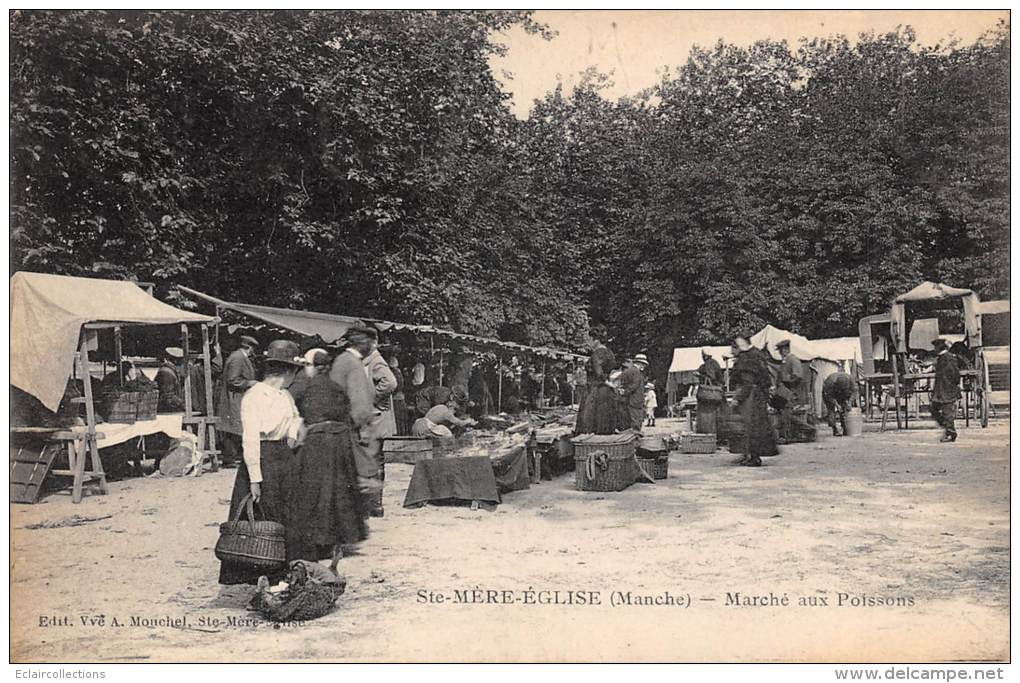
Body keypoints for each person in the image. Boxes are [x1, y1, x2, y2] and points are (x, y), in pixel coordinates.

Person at [218, 340, 306, 586]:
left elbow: (295, 418)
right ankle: (258, 575)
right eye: (293, 372)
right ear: (286, 371)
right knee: (261, 519)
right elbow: (250, 440)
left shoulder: (285, 395)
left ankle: (285, 572)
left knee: (288, 516)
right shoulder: (254, 396)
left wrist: (290, 434)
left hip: (283, 458)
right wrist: (255, 478)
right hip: (261, 459)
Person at [287, 349, 368, 572]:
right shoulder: (337, 389)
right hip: (340, 442)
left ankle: (318, 538)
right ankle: (340, 536)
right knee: (340, 488)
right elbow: (347, 416)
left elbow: (296, 412)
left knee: (315, 489)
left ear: (312, 366)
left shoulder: (304, 387)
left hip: (317, 442)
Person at [329, 325, 383, 515]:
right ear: (364, 343)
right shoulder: (352, 363)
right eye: (371, 342)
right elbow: (359, 405)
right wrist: (366, 430)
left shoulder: (343, 360)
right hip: (351, 430)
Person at [730, 335, 778, 466]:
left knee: (752, 428)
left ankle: (754, 457)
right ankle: (751, 455)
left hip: (751, 397)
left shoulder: (747, 358)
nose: (732, 352)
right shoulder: (757, 353)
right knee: (757, 426)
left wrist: (738, 399)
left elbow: (747, 382)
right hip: (759, 394)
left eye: (733, 348)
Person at [363, 341, 398, 514]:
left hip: (375, 418)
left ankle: (375, 504)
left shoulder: (375, 361)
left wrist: (371, 398)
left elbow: (390, 383)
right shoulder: (369, 360)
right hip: (373, 418)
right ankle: (374, 503)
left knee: (374, 460)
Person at [217, 336, 259, 466]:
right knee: (233, 427)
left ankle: (234, 456)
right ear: (248, 347)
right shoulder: (238, 358)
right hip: (234, 397)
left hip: (238, 397)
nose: (253, 351)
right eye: (252, 348)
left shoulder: (241, 357)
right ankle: (230, 458)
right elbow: (233, 379)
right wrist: (249, 383)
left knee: (236, 427)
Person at [576, 341, 625, 434]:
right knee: (605, 418)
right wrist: (610, 383)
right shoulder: (609, 353)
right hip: (606, 390)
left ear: (595, 340)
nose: (588, 343)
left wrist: (606, 382)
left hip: (595, 389)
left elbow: (598, 373)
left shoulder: (597, 353)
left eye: (590, 339)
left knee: (590, 417)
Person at [775, 339, 810, 443]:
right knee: (783, 414)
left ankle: (807, 431)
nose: (780, 353)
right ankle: (786, 436)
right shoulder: (785, 361)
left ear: (786, 350)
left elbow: (798, 376)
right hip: (785, 393)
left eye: (781, 350)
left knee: (787, 415)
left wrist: (785, 380)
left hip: (792, 393)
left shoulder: (793, 360)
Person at [931, 338, 961, 443]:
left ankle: (950, 433)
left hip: (947, 389)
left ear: (939, 347)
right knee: (934, 409)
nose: (934, 349)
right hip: (941, 390)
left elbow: (956, 375)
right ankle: (948, 429)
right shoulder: (942, 358)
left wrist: (952, 385)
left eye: (935, 347)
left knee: (947, 412)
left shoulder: (948, 358)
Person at [411, 398, 476, 439]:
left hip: (417, 425)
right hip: (424, 429)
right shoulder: (447, 413)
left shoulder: (441, 406)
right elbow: (460, 423)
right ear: (453, 408)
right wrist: (469, 420)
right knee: (448, 434)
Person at [696, 349, 724, 434]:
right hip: (717, 392)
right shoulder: (714, 362)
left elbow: (711, 377)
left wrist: (700, 375)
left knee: (709, 416)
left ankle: (710, 435)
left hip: (710, 394)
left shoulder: (709, 364)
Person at [822, 371, 857, 437]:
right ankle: (834, 429)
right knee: (831, 410)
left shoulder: (851, 380)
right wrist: (837, 405)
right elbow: (828, 396)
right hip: (830, 394)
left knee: (844, 409)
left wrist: (849, 402)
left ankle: (845, 428)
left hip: (841, 394)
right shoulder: (830, 383)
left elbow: (854, 392)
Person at [620, 354, 648, 431]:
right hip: (636, 398)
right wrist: (626, 392)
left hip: (630, 399)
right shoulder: (636, 372)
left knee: (631, 417)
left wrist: (624, 392)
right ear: (640, 363)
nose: (644, 366)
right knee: (636, 418)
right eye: (644, 364)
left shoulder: (627, 371)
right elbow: (635, 385)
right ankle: (636, 434)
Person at [155, 347, 186, 413]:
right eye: (180, 360)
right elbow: (168, 396)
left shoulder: (170, 371)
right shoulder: (166, 373)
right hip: (167, 410)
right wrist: (183, 405)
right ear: (175, 360)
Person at [388, 355, 410, 436]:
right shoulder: (399, 372)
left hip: (396, 398)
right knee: (402, 418)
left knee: (398, 417)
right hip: (401, 397)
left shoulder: (394, 373)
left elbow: (396, 386)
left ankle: (399, 434)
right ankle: (403, 432)